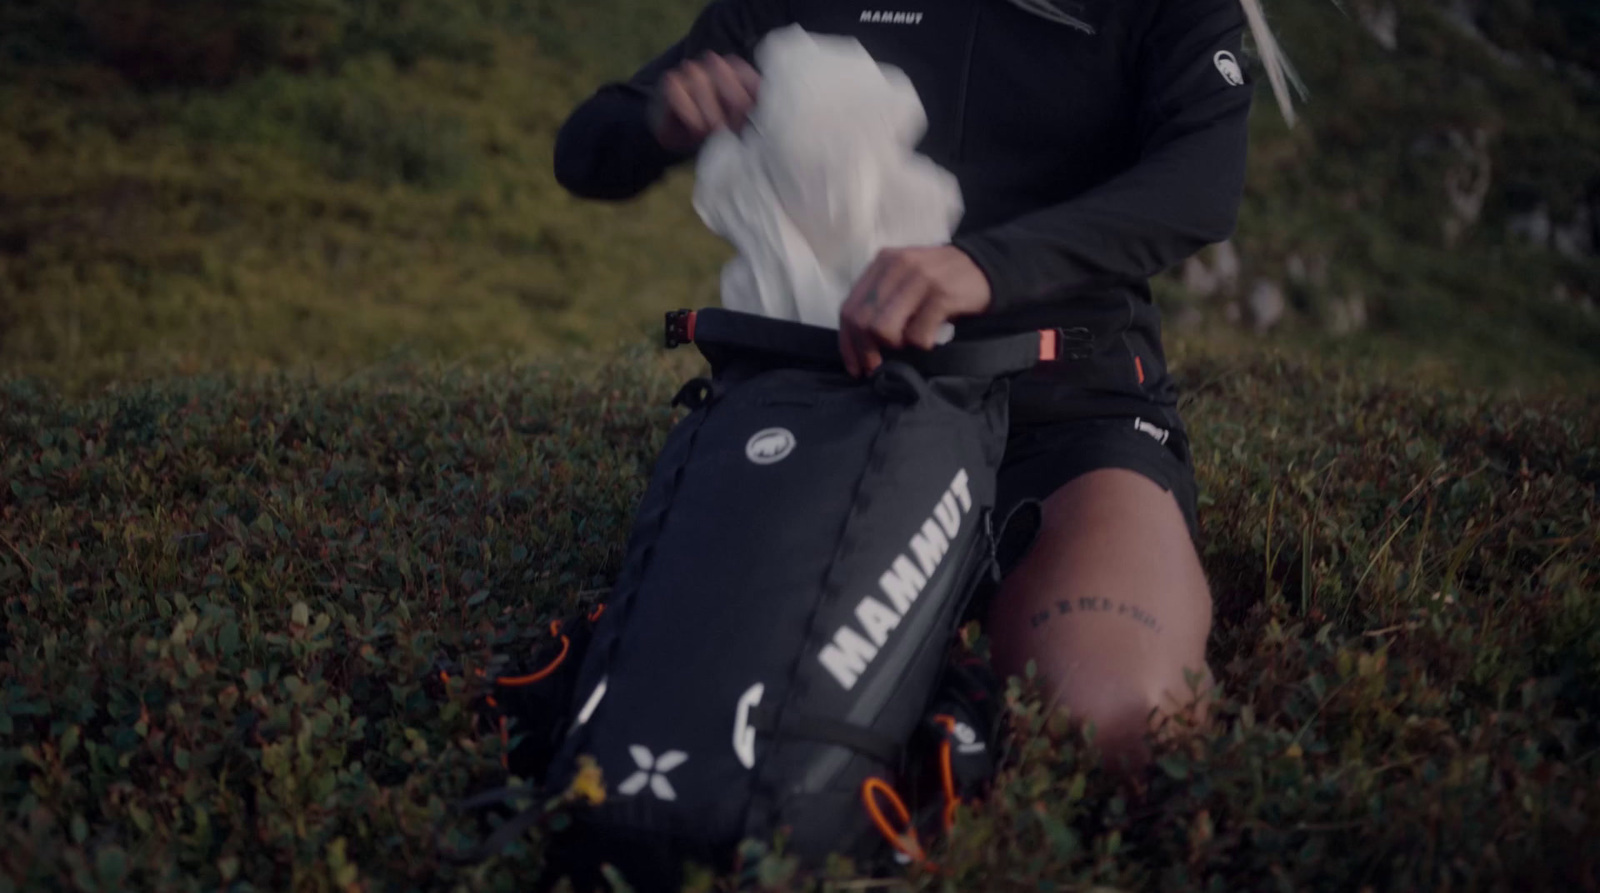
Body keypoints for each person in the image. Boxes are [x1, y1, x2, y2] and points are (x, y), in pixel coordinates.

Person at [552, 0, 1254, 773]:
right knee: (714, 732)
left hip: (1067, 420)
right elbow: (588, 151)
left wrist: (987, 267)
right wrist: (665, 115)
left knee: (1121, 721)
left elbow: (1199, 183)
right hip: (841, 414)